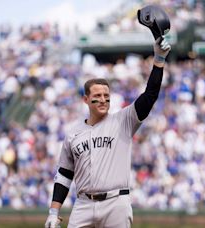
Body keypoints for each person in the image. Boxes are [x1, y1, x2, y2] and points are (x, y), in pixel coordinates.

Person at [45, 36, 171, 228]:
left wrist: (159, 60)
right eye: (97, 96)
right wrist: (54, 212)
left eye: (106, 96)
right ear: (85, 100)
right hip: (84, 204)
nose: (103, 100)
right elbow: (64, 174)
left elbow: (150, 96)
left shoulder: (123, 120)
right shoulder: (73, 133)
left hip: (116, 203)